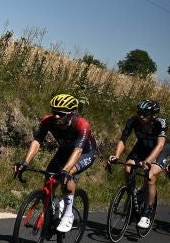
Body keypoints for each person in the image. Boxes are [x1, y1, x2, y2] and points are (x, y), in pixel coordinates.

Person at [15, 94, 96, 233]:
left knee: (67, 174)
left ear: (71, 114)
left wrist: (65, 170)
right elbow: (37, 141)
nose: (56, 116)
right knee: (49, 177)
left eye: (61, 114)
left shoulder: (82, 125)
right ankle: (53, 206)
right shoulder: (48, 121)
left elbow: (77, 150)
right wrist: (25, 162)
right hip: (64, 150)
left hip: (84, 153)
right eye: (54, 112)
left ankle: (68, 214)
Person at [108, 99, 166, 230]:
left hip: (159, 150)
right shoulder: (133, 121)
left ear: (154, 115)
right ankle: (132, 195)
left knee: (150, 176)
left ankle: (147, 211)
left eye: (145, 114)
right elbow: (123, 140)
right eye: (139, 112)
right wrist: (116, 155)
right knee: (128, 166)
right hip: (142, 147)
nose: (141, 116)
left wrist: (148, 161)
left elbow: (160, 145)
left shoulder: (160, 123)